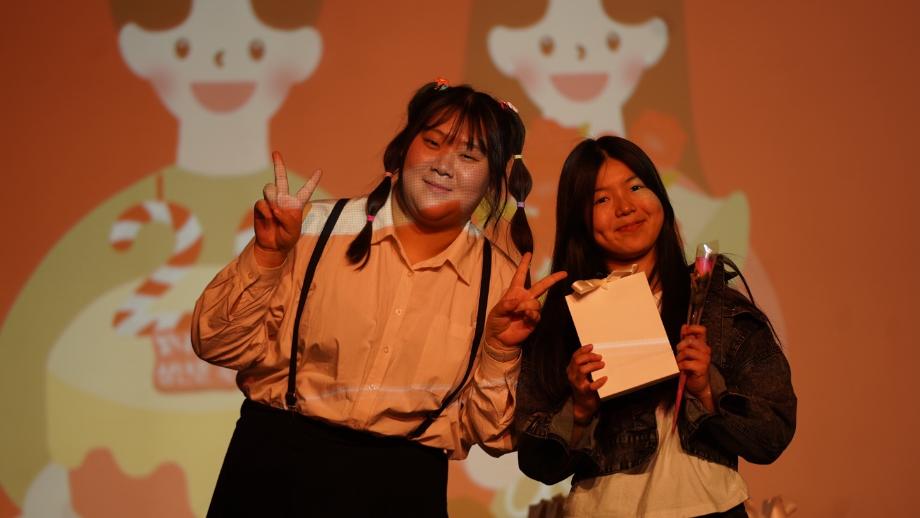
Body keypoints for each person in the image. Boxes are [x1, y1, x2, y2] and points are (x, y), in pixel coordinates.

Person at [191, 80, 567, 517]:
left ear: (493, 178)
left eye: (469, 156)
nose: (444, 166)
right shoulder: (315, 229)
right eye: (432, 143)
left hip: (401, 485)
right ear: (403, 148)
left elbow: (495, 434)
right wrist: (268, 255)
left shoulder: (501, 282)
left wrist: (500, 349)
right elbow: (216, 343)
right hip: (274, 466)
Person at [514, 136, 796, 517]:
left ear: (660, 197)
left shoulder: (719, 309)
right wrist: (579, 409)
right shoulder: (562, 322)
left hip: (711, 508)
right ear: (579, 220)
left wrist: (707, 391)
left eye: (635, 187)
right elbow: (536, 462)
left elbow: (773, 433)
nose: (625, 207)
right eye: (601, 199)